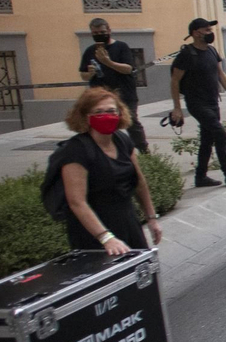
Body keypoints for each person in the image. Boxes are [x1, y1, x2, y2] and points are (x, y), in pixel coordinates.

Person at [59, 88, 162, 254]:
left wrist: (151, 218)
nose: (106, 116)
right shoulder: (76, 150)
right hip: (94, 230)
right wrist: (106, 238)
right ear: (85, 116)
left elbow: (139, 182)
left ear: (120, 113)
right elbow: (77, 202)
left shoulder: (122, 140)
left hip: (127, 220)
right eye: (98, 112)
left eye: (111, 111)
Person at [170, 17, 226, 188]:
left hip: (213, 102)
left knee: (207, 139)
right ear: (196, 33)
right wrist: (177, 108)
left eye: (210, 30)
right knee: (219, 133)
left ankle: (200, 177)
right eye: (207, 30)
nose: (211, 33)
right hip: (196, 104)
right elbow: (174, 81)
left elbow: (221, 75)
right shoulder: (186, 55)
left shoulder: (211, 51)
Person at [78, 17, 149, 152]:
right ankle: (107, 150)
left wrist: (107, 62)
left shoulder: (121, 47)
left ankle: (144, 150)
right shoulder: (90, 51)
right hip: (101, 95)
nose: (99, 35)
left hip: (124, 93)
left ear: (109, 31)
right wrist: (90, 73)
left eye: (102, 32)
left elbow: (128, 69)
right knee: (102, 123)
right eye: (95, 33)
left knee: (131, 121)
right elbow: (83, 74)